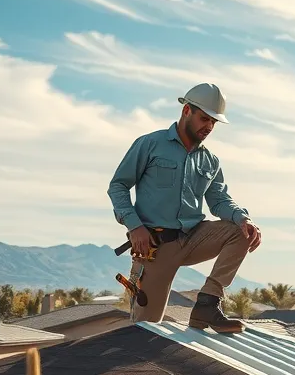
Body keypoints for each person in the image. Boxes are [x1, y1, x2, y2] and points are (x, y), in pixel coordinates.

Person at [107, 82, 261, 333]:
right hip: (155, 248)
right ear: (186, 111)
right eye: (204, 119)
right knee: (146, 330)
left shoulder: (210, 160)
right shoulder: (150, 144)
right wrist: (135, 226)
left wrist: (243, 218)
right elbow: (118, 187)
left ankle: (207, 304)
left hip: (193, 238)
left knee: (241, 230)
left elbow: (219, 200)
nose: (209, 127)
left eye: (214, 122)